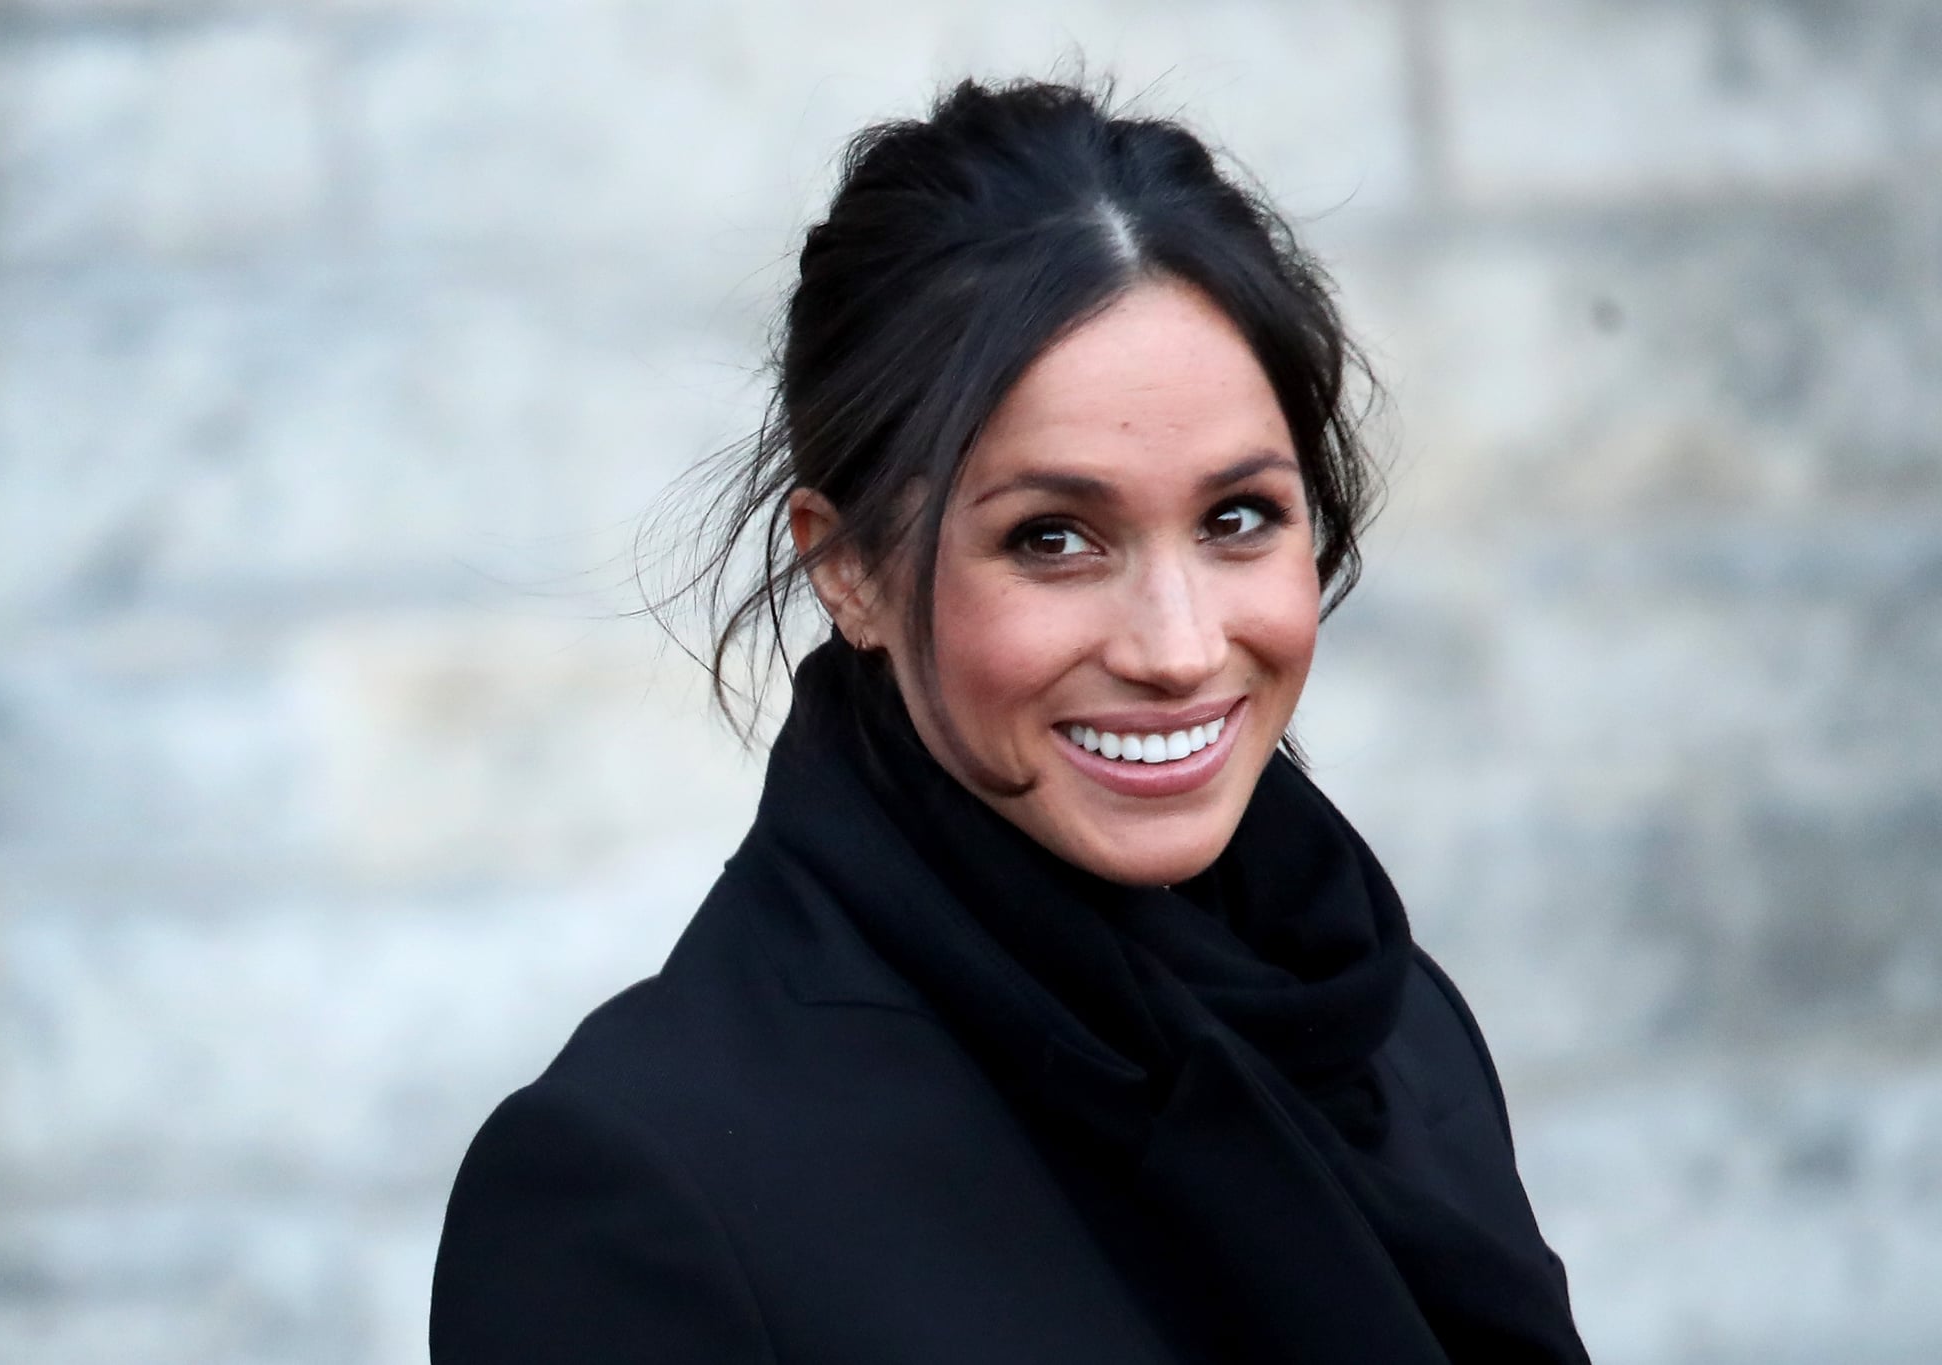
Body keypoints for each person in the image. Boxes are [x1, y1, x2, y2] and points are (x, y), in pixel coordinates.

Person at [430, 78, 1589, 1364]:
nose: (1180, 645)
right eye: (1053, 539)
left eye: (1237, 519)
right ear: (847, 568)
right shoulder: (638, 1192)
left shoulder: (1388, 1028)